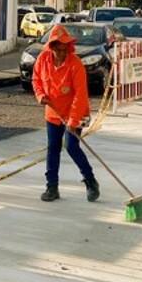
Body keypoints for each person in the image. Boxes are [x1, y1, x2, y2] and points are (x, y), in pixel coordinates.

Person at [32, 25, 99, 203]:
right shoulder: (43, 59)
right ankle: (52, 187)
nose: (62, 53)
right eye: (58, 50)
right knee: (53, 148)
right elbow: (36, 79)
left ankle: (91, 181)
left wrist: (73, 120)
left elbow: (81, 95)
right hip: (53, 112)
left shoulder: (75, 64)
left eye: (65, 49)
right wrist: (40, 95)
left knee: (71, 146)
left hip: (78, 112)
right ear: (51, 47)